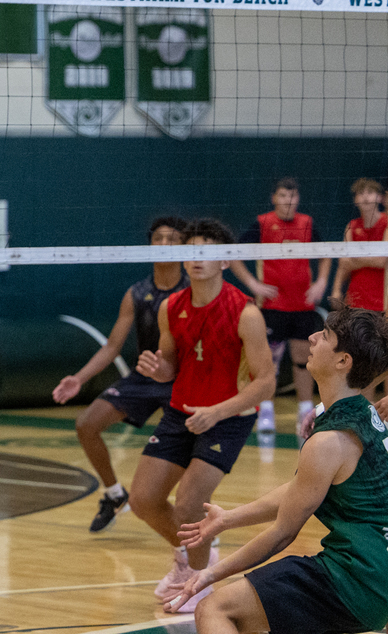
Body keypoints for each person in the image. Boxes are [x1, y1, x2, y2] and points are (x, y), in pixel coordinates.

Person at [162, 307, 388, 633]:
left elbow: (283, 533)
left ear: (343, 361)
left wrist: (210, 573)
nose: (311, 338)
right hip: (376, 577)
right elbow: (303, 490)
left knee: (216, 609)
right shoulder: (364, 413)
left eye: (324, 336)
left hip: (355, 580)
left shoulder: (327, 441)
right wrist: (229, 519)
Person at [130, 218, 276, 613]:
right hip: (183, 411)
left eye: (207, 252)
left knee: (190, 503)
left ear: (225, 261)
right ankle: (192, 556)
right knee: (143, 499)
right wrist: (157, 369)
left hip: (229, 414)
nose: (197, 259)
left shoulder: (245, 312)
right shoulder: (169, 307)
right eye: (191, 251)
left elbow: (266, 383)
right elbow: (170, 367)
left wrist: (217, 412)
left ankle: (199, 583)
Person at [53, 217, 190, 531]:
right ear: (149, 245)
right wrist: (79, 378)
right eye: (159, 238)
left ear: (183, 247)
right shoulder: (137, 293)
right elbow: (113, 345)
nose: (165, 245)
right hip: (144, 377)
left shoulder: (191, 291)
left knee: (185, 452)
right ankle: (114, 493)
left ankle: (187, 517)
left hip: (182, 381)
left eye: (173, 239)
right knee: (86, 424)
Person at [229, 177, 331, 437]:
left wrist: (321, 282)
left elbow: (327, 252)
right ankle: (265, 412)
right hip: (272, 306)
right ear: (274, 198)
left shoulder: (307, 223)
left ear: (298, 199)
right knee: (269, 363)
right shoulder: (263, 223)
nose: (288, 200)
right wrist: (253, 283)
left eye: (293, 196)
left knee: (303, 360)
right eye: (284, 196)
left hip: (302, 305)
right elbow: (234, 255)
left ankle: (305, 412)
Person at [330, 178, 386, 315]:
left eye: (370, 192)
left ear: (380, 197)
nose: (366, 196)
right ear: (355, 200)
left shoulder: (386, 223)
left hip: (382, 300)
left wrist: (354, 260)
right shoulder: (352, 226)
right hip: (356, 299)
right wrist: (336, 290)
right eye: (361, 193)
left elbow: (382, 260)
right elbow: (343, 263)